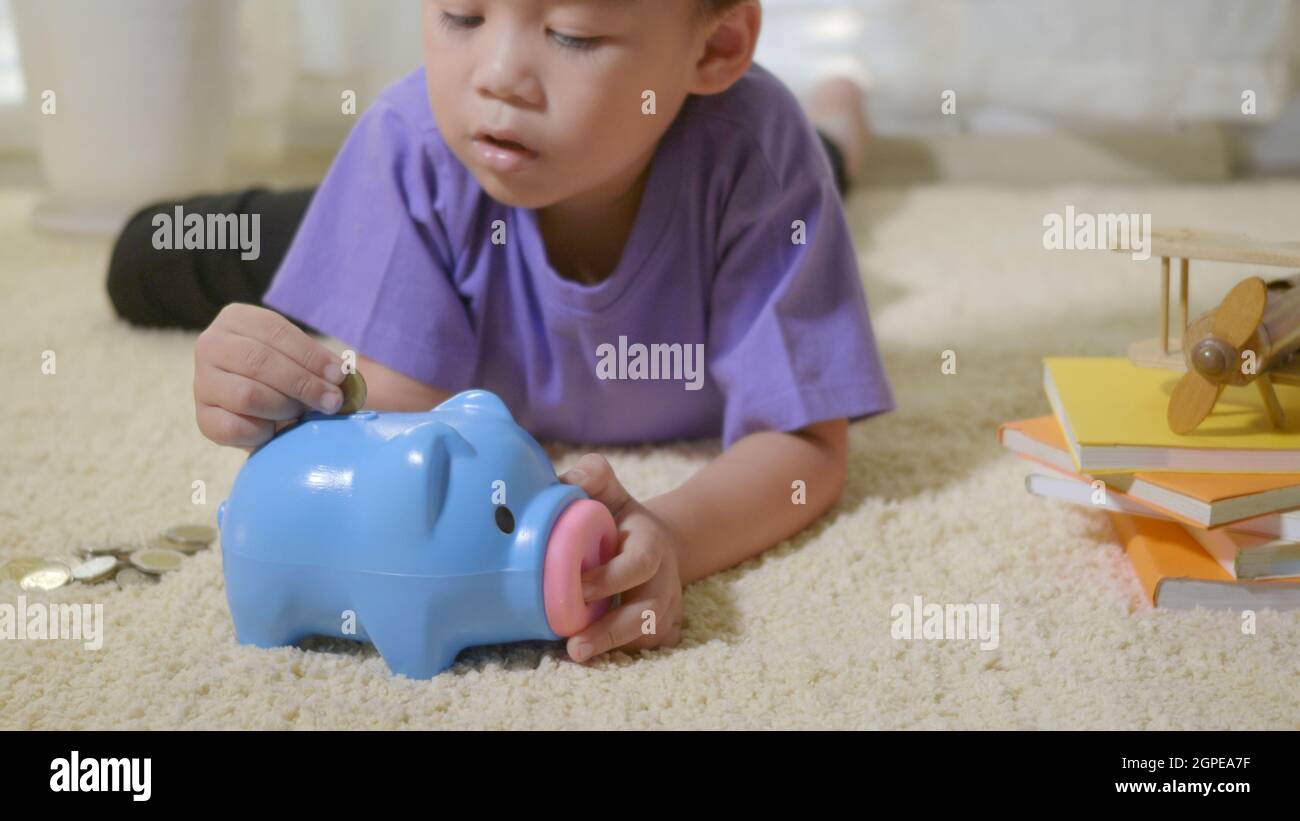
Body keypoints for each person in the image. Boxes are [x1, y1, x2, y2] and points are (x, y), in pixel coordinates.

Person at [107, 0, 894, 667]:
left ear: (716, 45)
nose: (498, 75)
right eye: (461, 15)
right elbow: (400, 410)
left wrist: (673, 537)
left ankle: (839, 122)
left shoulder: (757, 161)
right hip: (454, 182)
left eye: (572, 35)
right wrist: (277, 394)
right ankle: (331, 226)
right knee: (148, 253)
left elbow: (809, 447)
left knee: (820, 157)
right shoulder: (410, 143)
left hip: (668, 164)